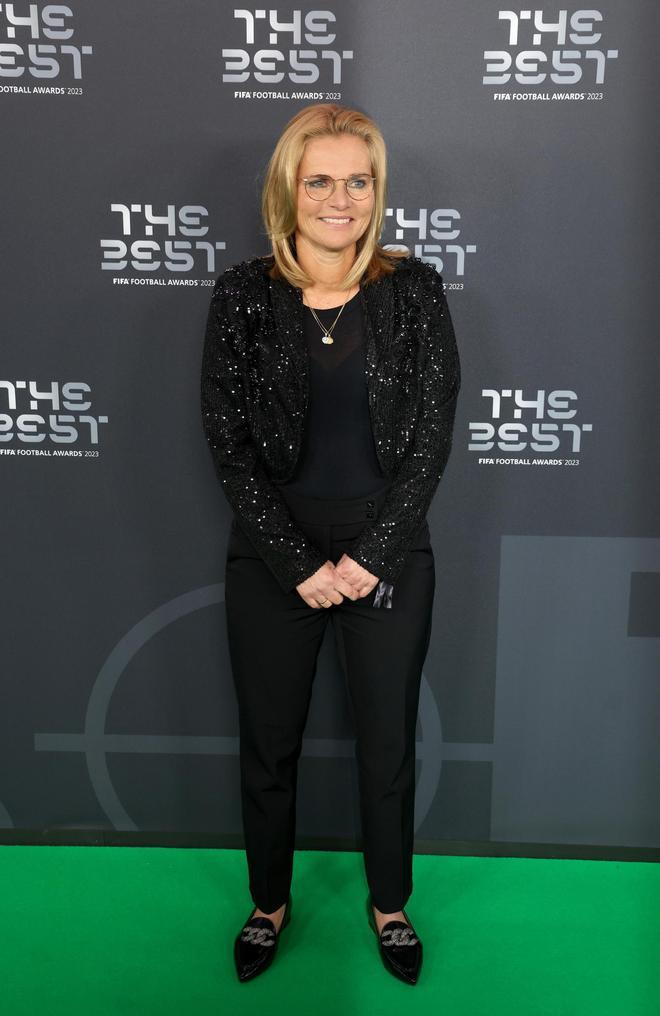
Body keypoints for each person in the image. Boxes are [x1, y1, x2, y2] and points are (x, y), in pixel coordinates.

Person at [200, 102, 461, 986]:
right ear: (288, 189)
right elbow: (229, 444)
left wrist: (370, 558)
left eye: (359, 180)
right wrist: (300, 564)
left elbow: (430, 441)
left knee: (387, 743)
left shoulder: (414, 291)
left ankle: (391, 905)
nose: (340, 199)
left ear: (376, 192)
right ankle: (266, 904)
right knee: (268, 743)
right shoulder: (242, 294)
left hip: (388, 555)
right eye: (321, 180)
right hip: (272, 558)